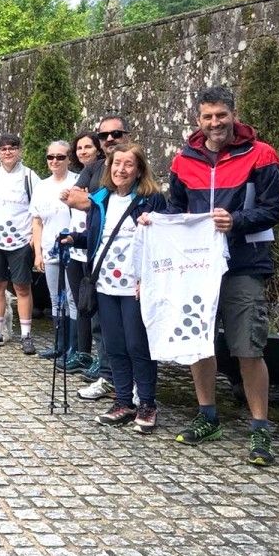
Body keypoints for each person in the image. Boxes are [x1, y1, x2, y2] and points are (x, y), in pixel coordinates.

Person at [160, 85, 279, 466]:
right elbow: (176, 210)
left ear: (233, 114)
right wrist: (156, 223)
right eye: (208, 117)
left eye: (221, 115)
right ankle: (207, 415)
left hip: (244, 265)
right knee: (199, 341)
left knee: (248, 346)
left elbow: (272, 210)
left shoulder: (262, 155)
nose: (215, 123)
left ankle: (260, 427)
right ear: (199, 119)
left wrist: (237, 221)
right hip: (197, 268)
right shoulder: (184, 160)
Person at [66, 143, 166, 432]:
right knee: (114, 346)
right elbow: (98, 238)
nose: (121, 169)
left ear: (139, 170)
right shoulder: (101, 199)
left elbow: (163, 238)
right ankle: (123, 400)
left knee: (138, 345)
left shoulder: (151, 200)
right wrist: (75, 238)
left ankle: (147, 403)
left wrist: (154, 224)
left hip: (135, 287)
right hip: (105, 284)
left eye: (128, 165)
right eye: (116, 164)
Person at [0, 133, 40, 353]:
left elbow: (37, 211)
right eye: (4, 149)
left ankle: (26, 335)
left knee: (22, 287)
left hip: (20, 240)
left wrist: (33, 240)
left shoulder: (30, 177)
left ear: (19, 150)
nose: (8, 152)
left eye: (12, 147)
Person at [30, 140, 80, 359]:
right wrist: (38, 252)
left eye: (60, 157)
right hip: (50, 249)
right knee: (55, 299)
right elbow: (37, 221)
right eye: (50, 157)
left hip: (74, 249)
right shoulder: (41, 186)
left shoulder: (77, 182)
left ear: (69, 158)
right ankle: (59, 345)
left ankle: (74, 348)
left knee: (71, 298)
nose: (55, 161)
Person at [62, 132, 101, 375]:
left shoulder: (103, 175)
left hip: (93, 245)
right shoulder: (79, 177)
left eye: (88, 147)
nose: (83, 151)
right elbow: (69, 199)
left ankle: (101, 359)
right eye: (79, 148)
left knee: (97, 306)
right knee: (80, 303)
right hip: (76, 243)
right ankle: (83, 352)